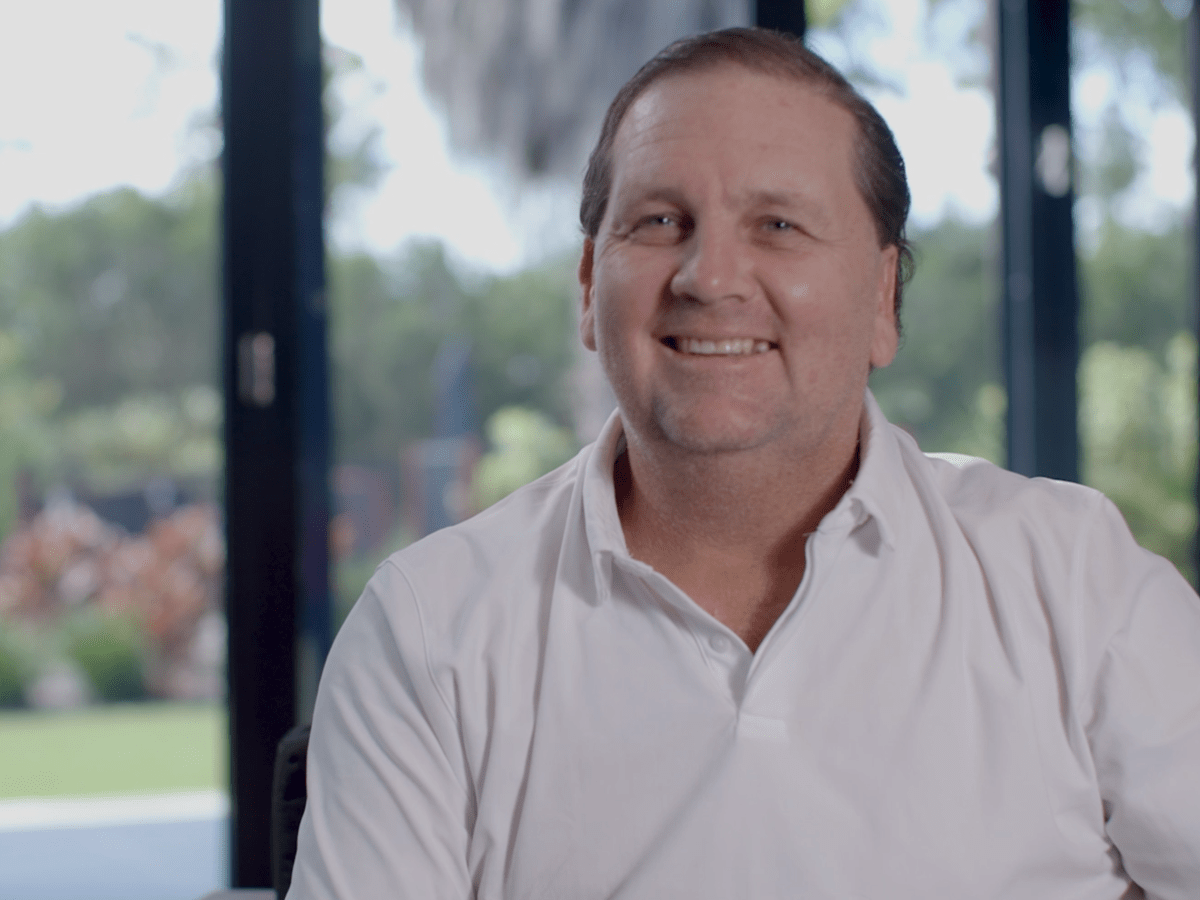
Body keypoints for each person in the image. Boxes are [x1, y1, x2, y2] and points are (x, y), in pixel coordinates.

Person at [288, 27, 1200, 899]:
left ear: (883, 297)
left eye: (777, 225)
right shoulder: (428, 631)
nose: (709, 276)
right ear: (586, 287)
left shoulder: (1077, 581)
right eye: (658, 220)